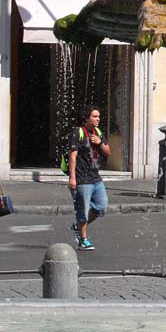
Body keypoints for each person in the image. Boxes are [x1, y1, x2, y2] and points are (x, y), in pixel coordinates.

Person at [68, 107, 109, 251]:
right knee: (82, 211)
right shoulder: (77, 133)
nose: (98, 119)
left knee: (102, 207)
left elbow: (107, 152)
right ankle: (83, 240)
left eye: (99, 116)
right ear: (87, 118)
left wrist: (99, 142)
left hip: (96, 178)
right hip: (81, 179)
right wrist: (72, 178)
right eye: (95, 116)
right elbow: (72, 156)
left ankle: (77, 227)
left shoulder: (98, 133)